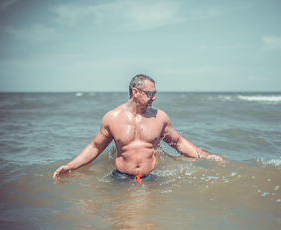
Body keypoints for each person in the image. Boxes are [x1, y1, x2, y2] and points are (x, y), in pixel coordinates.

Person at [53, 74, 223, 180]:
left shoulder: (159, 117)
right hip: (120, 179)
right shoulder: (112, 118)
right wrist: (70, 166)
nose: (154, 98)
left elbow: (178, 143)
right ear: (135, 92)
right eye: (150, 93)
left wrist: (206, 156)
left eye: (155, 93)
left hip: (151, 178)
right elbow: (95, 147)